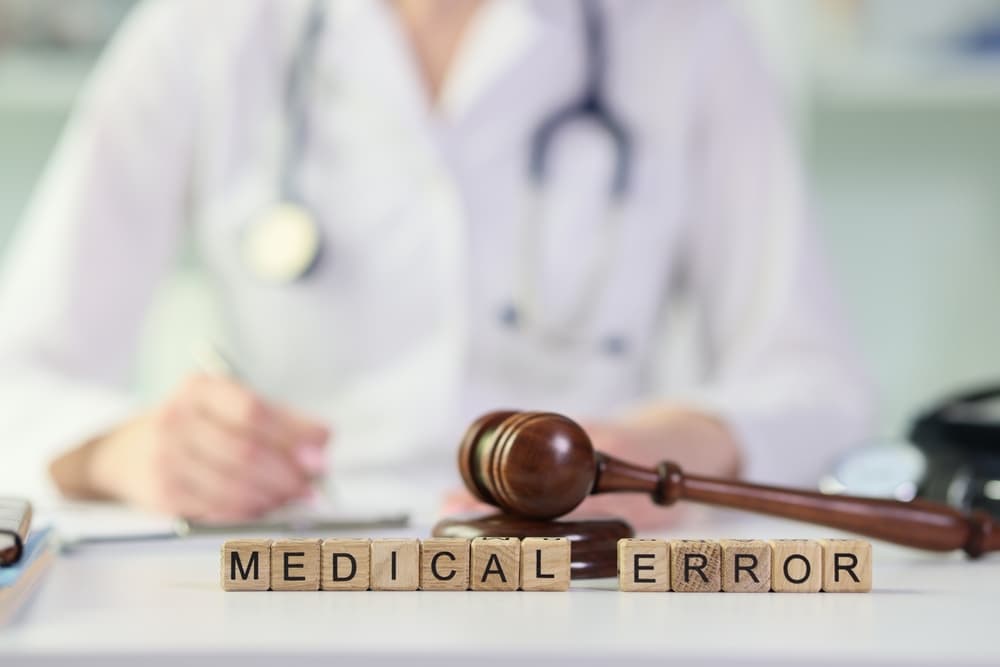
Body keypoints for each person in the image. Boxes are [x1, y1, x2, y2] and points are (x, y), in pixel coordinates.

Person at [0, 0, 873, 526]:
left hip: (585, 572)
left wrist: (667, 453)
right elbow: (20, 376)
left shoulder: (685, 31)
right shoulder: (206, 30)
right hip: (293, 570)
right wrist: (125, 451)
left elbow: (815, 382)